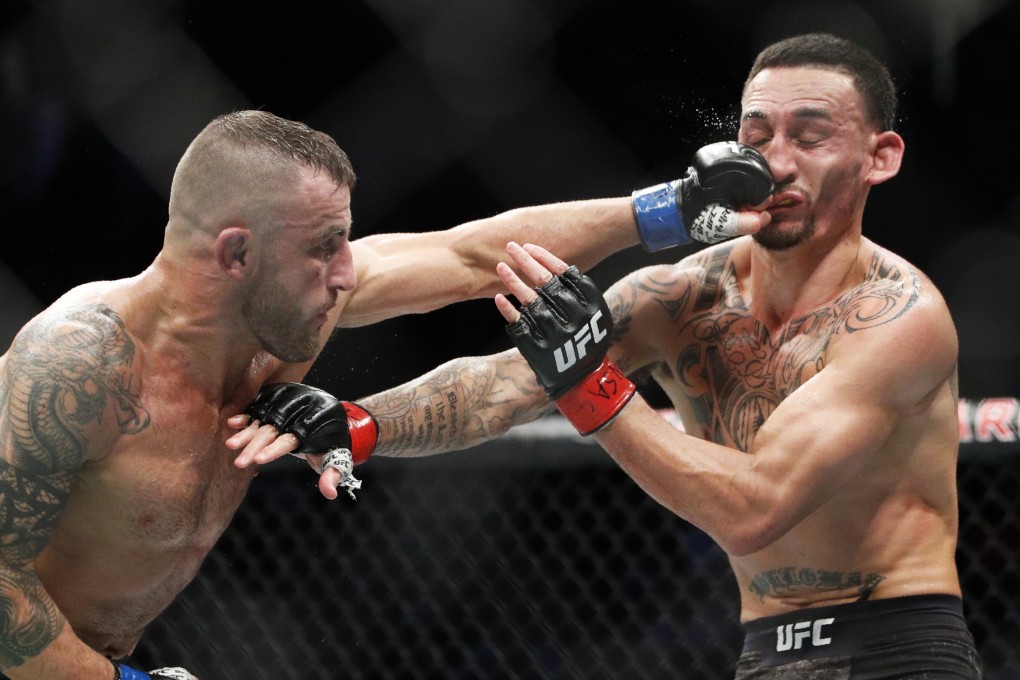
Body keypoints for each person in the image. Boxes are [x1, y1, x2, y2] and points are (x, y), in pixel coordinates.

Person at [229, 34, 984, 677]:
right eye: (757, 136)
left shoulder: (898, 319)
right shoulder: (681, 296)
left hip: (898, 647)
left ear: (879, 157)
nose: (775, 162)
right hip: (762, 651)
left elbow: (756, 507)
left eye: (810, 136)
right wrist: (361, 424)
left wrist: (590, 382)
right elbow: (503, 384)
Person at [0, 108, 776, 680]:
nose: (347, 273)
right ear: (235, 253)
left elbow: (473, 254)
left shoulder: (278, 314)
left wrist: (671, 210)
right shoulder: (82, 364)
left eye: (345, 239)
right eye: (321, 247)